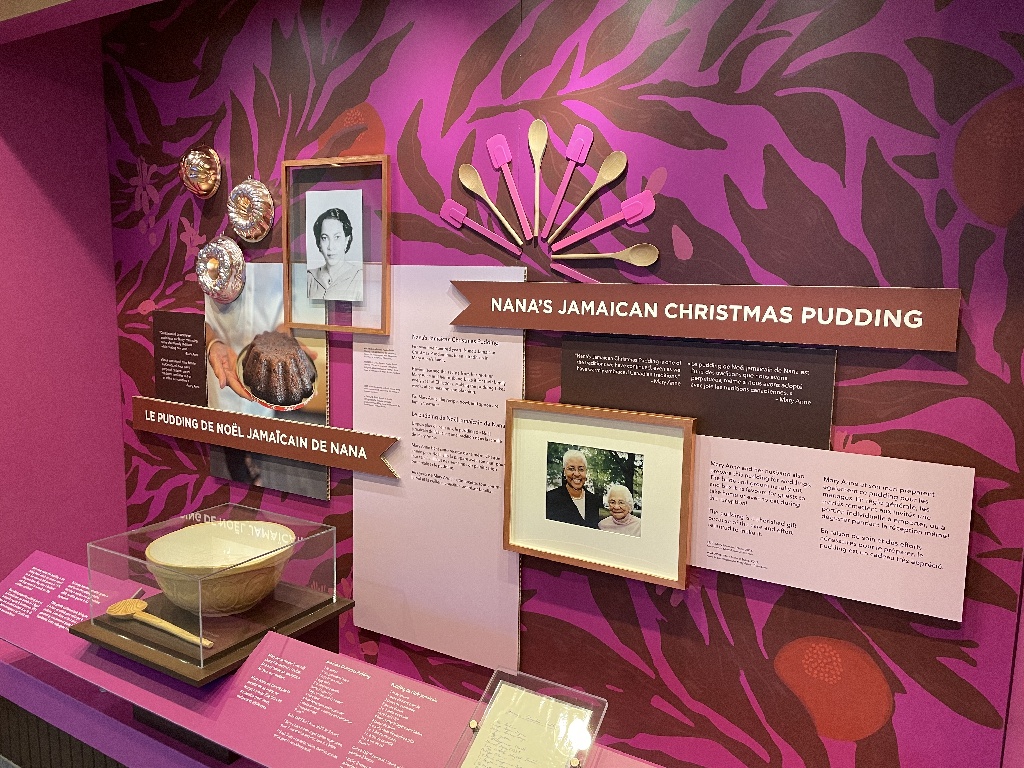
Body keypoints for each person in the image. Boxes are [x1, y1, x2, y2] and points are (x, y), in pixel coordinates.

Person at [306, 207, 363, 301]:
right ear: (319, 243)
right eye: (325, 238)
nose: (330, 246)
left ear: (346, 240)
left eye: (337, 237)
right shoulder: (310, 277)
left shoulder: (358, 277)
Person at [545, 449, 601, 528]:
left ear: (586, 472)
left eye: (581, 469)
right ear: (564, 472)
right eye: (571, 469)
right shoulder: (550, 499)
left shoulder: (593, 500)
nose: (577, 474)